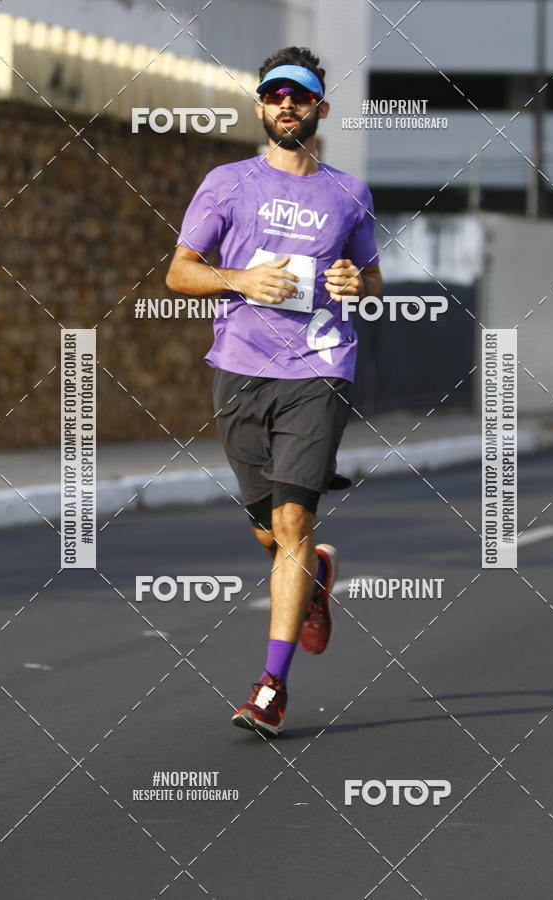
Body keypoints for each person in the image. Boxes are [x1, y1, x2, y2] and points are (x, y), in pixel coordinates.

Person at [166, 46, 382, 736]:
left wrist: (358, 286)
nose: (286, 105)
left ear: (319, 108)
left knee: (291, 522)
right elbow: (179, 273)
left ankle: (270, 685)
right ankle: (314, 574)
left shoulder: (349, 193)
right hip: (240, 367)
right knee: (269, 530)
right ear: (261, 107)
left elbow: (371, 278)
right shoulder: (227, 183)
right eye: (274, 96)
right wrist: (239, 281)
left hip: (319, 368)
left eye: (300, 96)